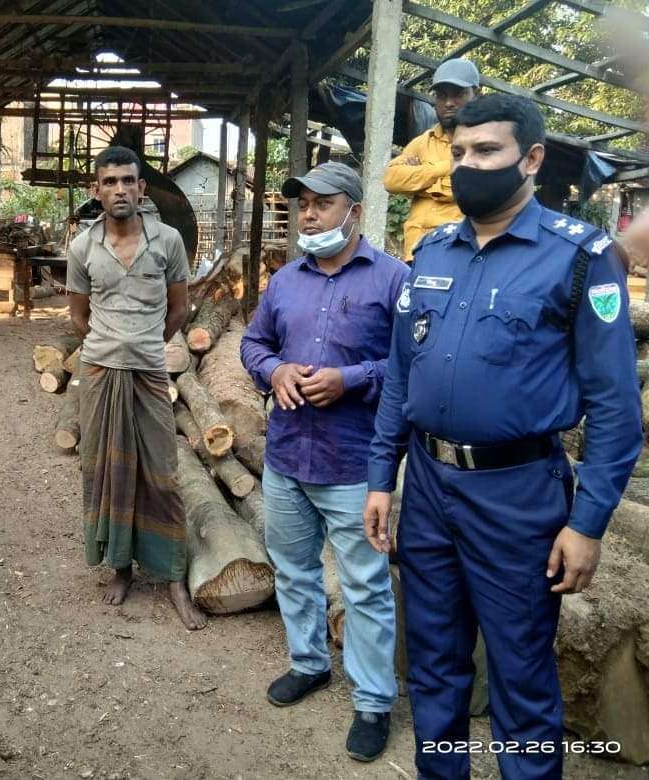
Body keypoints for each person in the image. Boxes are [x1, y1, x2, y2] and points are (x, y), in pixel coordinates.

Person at [365, 94, 642, 780]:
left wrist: (588, 523)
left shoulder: (579, 258)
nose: (467, 165)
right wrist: (381, 477)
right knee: (433, 664)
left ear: (532, 159)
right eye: (460, 152)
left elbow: (615, 408)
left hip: (517, 496)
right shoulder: (434, 250)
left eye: (487, 151)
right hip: (428, 488)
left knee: (521, 675)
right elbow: (401, 374)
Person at [240, 162, 407, 762]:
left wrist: (350, 379)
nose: (308, 215)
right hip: (287, 456)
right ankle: (309, 663)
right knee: (293, 570)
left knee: (364, 586)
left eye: (322, 204)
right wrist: (275, 370)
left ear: (354, 211)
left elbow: (414, 363)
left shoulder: (394, 280)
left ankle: (373, 701)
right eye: (303, 204)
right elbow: (252, 343)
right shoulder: (285, 281)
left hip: (356, 463)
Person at [67, 145, 206, 631]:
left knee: (161, 472)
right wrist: (111, 346)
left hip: (149, 372)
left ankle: (173, 577)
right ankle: (120, 567)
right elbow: (79, 316)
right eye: (110, 182)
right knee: (107, 469)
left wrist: (145, 344)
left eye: (128, 180)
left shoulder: (168, 241)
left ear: (142, 188)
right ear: (96, 190)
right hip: (101, 373)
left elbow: (179, 309)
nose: (120, 189)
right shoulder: (83, 247)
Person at [384, 59, 481, 261]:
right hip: (415, 253)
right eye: (441, 95)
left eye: (458, 94)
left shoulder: (486, 143)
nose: (448, 103)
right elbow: (391, 179)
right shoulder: (423, 141)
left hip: (460, 252)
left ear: (477, 94)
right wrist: (448, 167)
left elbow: (473, 192)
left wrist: (418, 182)